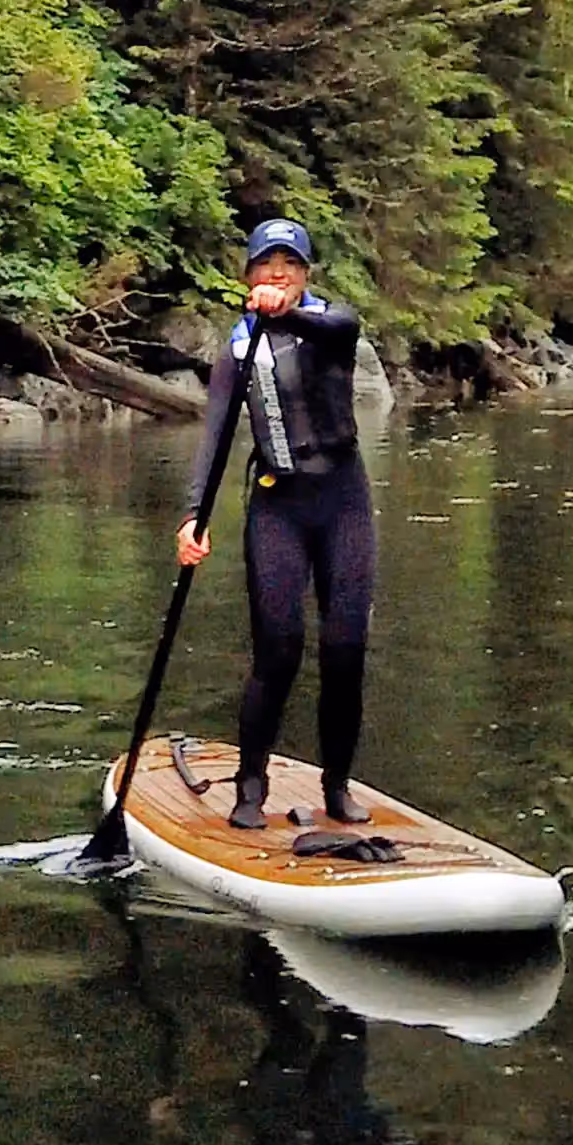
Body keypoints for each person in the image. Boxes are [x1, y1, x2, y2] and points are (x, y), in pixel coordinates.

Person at [178, 218, 375, 829]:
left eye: (290, 264)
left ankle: (337, 786)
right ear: (249, 275)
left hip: (342, 499)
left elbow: (340, 326)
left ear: (306, 275)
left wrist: (282, 314)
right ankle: (251, 784)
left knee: (345, 648)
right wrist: (193, 516)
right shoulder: (238, 347)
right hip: (276, 506)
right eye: (267, 264)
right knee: (278, 647)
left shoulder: (330, 324)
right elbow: (214, 434)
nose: (278, 274)